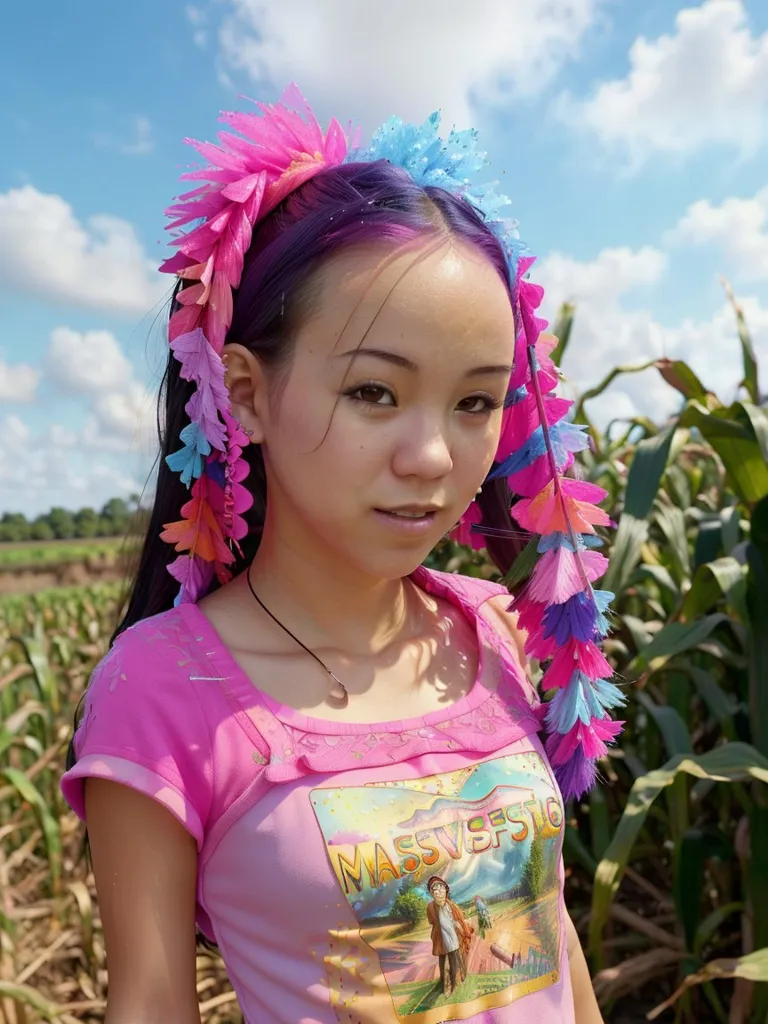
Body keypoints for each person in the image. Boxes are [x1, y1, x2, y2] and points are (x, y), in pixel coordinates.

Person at [61, 84, 620, 1024]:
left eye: (476, 401)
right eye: (373, 392)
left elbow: (552, 937)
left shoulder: (489, 628)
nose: (434, 458)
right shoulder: (162, 691)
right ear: (243, 393)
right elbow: (152, 1001)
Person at [426, 876, 473, 996]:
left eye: (441, 887)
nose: (438, 891)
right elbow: (432, 920)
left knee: (454, 958)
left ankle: (454, 982)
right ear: (432, 893)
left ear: (446, 889)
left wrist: (458, 926)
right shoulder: (431, 906)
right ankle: (443, 982)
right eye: (435, 889)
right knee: (442, 959)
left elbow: (458, 918)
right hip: (440, 937)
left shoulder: (451, 905)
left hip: (452, 936)